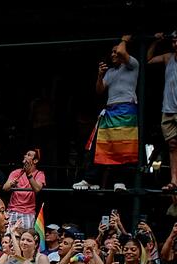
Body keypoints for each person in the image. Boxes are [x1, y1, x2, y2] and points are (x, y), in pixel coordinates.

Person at [74, 35, 139, 191]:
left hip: (125, 110)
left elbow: (123, 52)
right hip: (110, 111)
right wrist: (100, 75)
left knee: (121, 147)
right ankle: (90, 179)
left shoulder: (133, 65)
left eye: (115, 52)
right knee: (99, 145)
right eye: (111, 52)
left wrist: (124, 40)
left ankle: (119, 181)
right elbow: (100, 90)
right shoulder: (110, 71)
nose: (113, 54)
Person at [147, 31, 177, 190]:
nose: (176, 44)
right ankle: (174, 180)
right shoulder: (168, 57)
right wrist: (155, 42)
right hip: (168, 108)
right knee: (172, 144)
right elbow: (149, 59)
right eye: (174, 41)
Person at [3, 149, 46, 228]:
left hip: (28, 213)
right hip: (12, 210)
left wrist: (28, 174)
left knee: (24, 237)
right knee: (7, 237)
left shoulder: (39, 174)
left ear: (35, 160)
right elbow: (5, 188)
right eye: (26, 154)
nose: (25, 156)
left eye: (29, 155)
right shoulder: (16, 172)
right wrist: (11, 184)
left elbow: (37, 189)